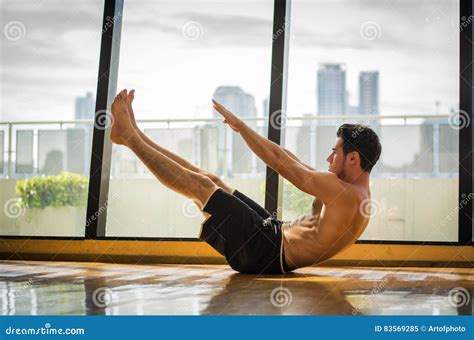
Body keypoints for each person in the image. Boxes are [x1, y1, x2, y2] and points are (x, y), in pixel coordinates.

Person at [110, 89, 382, 274]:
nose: (328, 157)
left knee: (204, 189)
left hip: (266, 251)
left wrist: (241, 127)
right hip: (273, 238)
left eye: (335, 152)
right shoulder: (356, 194)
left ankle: (130, 138)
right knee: (212, 181)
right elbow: (291, 159)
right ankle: (132, 134)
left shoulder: (342, 192)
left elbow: (280, 162)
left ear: (353, 159)